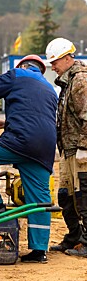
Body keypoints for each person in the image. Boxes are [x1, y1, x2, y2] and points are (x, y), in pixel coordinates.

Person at [0, 54, 58, 263]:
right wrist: (5, 124)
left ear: (24, 65)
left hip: (20, 140)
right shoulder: (49, 89)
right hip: (44, 148)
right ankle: (39, 251)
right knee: (40, 200)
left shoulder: (18, 74)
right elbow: (36, 117)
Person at [46, 38, 87, 257]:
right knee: (66, 196)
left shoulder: (80, 80)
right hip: (68, 149)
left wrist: (84, 147)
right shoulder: (68, 81)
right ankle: (74, 237)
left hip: (80, 151)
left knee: (83, 196)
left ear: (68, 58)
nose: (52, 66)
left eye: (55, 62)